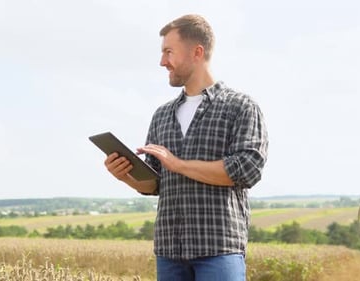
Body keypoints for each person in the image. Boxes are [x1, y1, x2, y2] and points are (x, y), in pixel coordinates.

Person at [104, 14, 268, 281]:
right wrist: (126, 176)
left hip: (218, 249)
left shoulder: (240, 107)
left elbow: (247, 170)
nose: (162, 61)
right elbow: (156, 183)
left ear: (197, 52)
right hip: (169, 251)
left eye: (169, 52)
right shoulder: (162, 115)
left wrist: (177, 164)